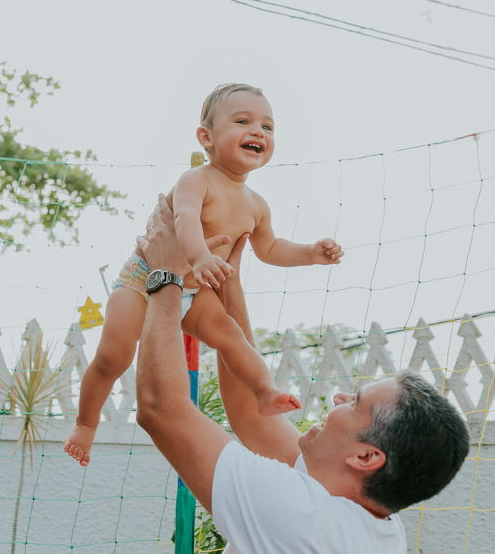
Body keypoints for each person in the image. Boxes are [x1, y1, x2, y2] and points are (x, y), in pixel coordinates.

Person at [0, 195, 471, 554]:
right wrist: (229, 281)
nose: (339, 396)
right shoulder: (360, 513)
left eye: (356, 401)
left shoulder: (307, 520)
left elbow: (160, 408)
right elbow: (249, 413)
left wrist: (165, 276)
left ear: (367, 455)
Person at [65, 83, 344, 466]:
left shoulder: (257, 205)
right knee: (114, 355)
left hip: (195, 291)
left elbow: (270, 248)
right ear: (206, 137)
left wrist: (310, 254)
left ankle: (263, 390)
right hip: (144, 278)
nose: (257, 132)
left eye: (267, 126)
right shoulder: (196, 179)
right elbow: (183, 220)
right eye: (242, 121)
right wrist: (198, 258)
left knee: (231, 336)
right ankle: (85, 423)